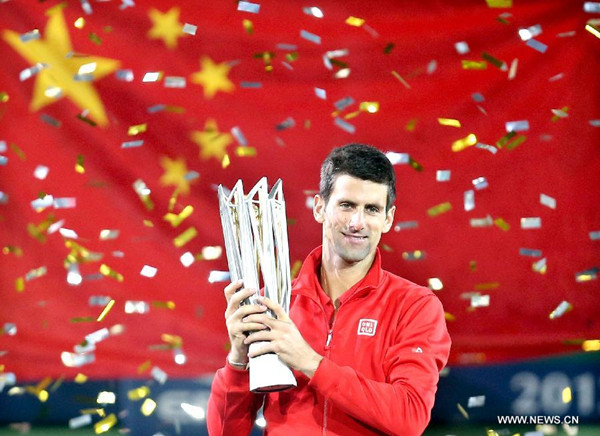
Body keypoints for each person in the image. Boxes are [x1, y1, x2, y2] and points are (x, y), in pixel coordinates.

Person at [207, 143, 451, 436]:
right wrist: (237, 358)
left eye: (371, 209)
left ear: (388, 219)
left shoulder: (414, 306)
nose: (357, 222)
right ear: (320, 207)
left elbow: (409, 416)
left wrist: (309, 362)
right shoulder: (274, 304)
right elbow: (225, 433)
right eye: (346, 205)